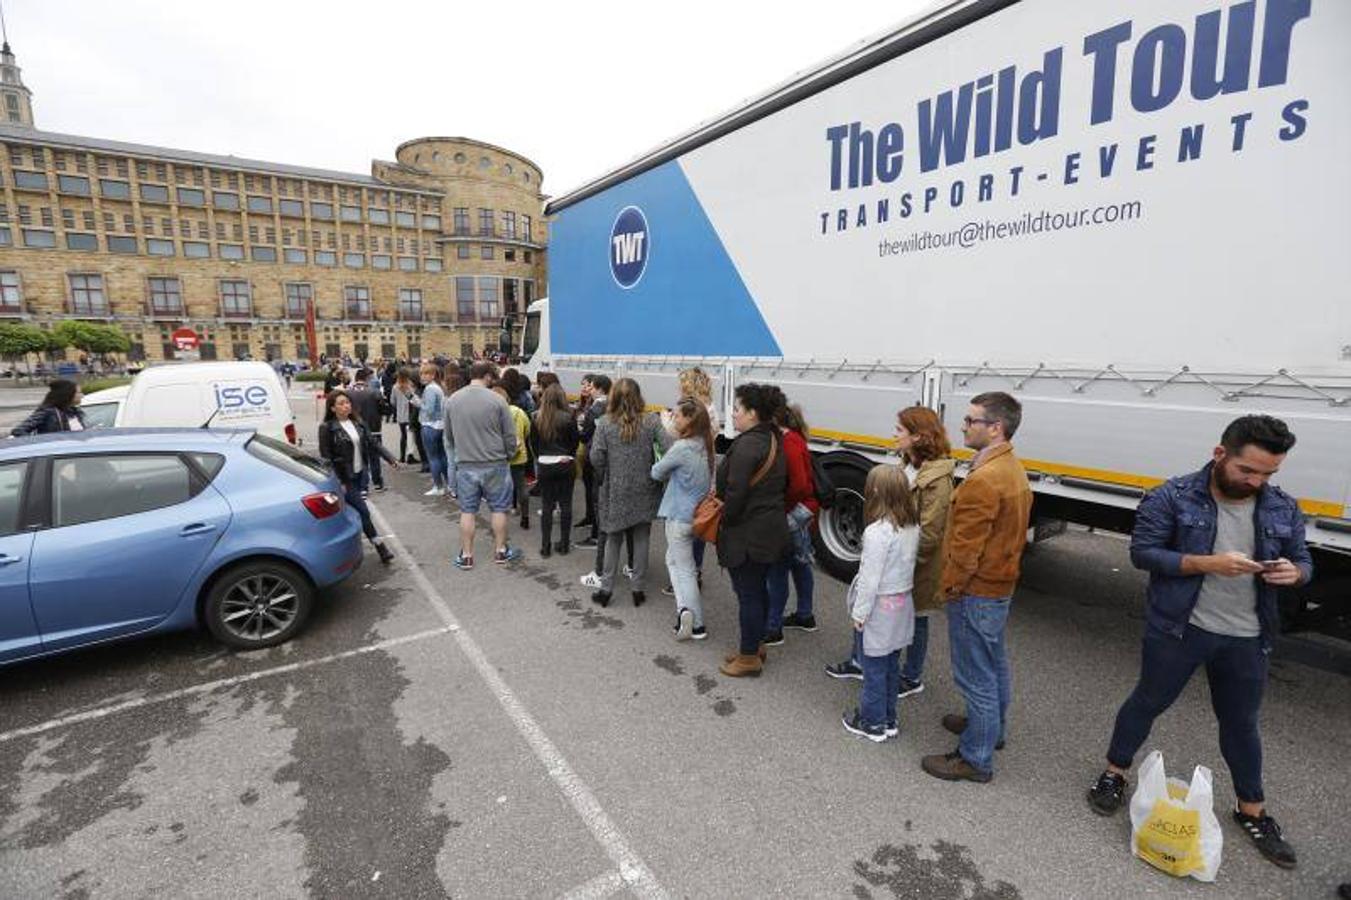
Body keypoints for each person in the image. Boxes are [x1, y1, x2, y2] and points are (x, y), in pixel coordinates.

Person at [1086, 415, 1311, 869]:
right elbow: (1142, 553)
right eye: (1249, 470)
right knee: (1147, 701)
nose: (1257, 481)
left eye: (1268, 474)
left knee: (1241, 724)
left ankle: (1252, 810)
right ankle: (1114, 773)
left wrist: (1297, 572)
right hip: (1180, 629)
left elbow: (1304, 558)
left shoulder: (1282, 506)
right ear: (1220, 454)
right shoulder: (1172, 496)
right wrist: (1207, 562)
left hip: (1248, 637)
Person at [921, 391, 1032, 784]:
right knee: (993, 662)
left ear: (995, 428)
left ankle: (975, 758)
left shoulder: (985, 480)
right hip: (999, 585)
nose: (964, 427)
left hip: (978, 591)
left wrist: (948, 590)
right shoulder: (1010, 467)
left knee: (975, 675)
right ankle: (991, 730)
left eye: (971, 421)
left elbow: (966, 552)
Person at [842, 465, 921, 742]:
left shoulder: (877, 532)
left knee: (873, 668)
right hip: (902, 605)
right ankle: (889, 718)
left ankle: (872, 722)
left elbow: (870, 579)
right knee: (890, 666)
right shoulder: (911, 527)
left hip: (879, 608)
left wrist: (859, 613)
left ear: (875, 491)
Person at [716, 383, 790, 678]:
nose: (733, 414)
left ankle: (748, 658)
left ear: (753, 413)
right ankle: (755, 646)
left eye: (737, 409)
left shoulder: (747, 444)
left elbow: (735, 494)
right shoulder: (773, 438)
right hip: (769, 529)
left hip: (748, 533)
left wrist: (726, 521)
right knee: (758, 590)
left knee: (748, 594)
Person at [589, 378, 671, 608]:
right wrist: (656, 472)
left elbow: (596, 457)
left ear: (613, 397)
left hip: (615, 488)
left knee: (613, 538)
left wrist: (605, 473)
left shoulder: (604, 423)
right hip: (645, 487)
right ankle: (638, 589)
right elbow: (669, 449)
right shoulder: (651, 421)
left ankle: (606, 590)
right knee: (642, 537)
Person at [445, 361, 523, 568]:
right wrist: (508, 454)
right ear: (488, 376)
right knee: (498, 509)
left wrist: (460, 453)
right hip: (495, 462)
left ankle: (467, 555)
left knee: (468, 510)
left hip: (467, 464)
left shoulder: (452, 400)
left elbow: (449, 436)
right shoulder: (498, 400)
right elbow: (509, 435)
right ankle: (500, 551)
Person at [652, 396, 714, 641]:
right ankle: (684, 611)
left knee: (686, 570)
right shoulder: (704, 443)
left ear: (689, 419)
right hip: (697, 514)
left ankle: (694, 621)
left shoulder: (681, 447)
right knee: (674, 561)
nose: (673, 418)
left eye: (677, 415)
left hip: (679, 515)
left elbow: (656, 472)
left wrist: (659, 456)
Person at [317, 390, 396, 564]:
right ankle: (380, 546)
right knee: (363, 511)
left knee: (353, 513)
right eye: (341, 403)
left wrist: (390, 458)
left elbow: (373, 443)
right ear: (332, 408)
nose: (346, 406)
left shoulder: (358, 423)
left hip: (360, 475)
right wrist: (338, 481)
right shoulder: (327, 428)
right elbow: (326, 458)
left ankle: (345, 548)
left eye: (347, 402)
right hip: (345, 478)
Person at [764, 403, 818, 645]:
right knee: (799, 563)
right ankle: (805, 615)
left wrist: (781, 506)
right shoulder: (795, 439)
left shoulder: (789, 443)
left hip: (792, 513)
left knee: (777, 568)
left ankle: (773, 627)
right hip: (802, 510)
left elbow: (799, 485)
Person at [531, 384, 580, 558]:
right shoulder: (569, 417)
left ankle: (545, 546)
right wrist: (568, 455)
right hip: (565, 463)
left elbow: (534, 443)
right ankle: (564, 544)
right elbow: (575, 441)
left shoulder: (536, 417)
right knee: (566, 504)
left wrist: (541, 458)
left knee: (547, 505)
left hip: (545, 464)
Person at [493, 385, 532, 530]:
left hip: (499, 455)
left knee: (499, 487)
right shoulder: (519, 412)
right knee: (521, 485)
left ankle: (500, 517)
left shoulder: (493, 414)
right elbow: (528, 429)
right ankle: (525, 517)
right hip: (518, 454)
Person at [347, 368, 387, 493]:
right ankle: (377, 483)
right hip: (373, 429)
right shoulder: (374, 392)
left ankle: (363, 487)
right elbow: (384, 410)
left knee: (360, 458)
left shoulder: (348, 393)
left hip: (354, 430)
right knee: (374, 457)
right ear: (367, 378)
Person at [11, 379, 87, 436]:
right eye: (79, 393)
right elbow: (19, 431)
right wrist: (41, 444)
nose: (82, 395)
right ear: (67, 394)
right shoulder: (48, 411)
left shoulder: (75, 412)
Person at [418, 363, 449, 496]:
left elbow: (429, 410)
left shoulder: (430, 389)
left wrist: (419, 403)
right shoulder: (438, 388)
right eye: (422, 373)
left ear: (433, 375)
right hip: (439, 425)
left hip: (430, 425)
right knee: (441, 456)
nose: (423, 376)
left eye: (426, 373)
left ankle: (438, 486)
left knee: (433, 457)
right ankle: (448, 484)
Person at [392, 369, 419, 464]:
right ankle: (410, 456)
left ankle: (402, 456)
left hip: (401, 414)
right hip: (411, 413)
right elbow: (415, 398)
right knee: (411, 435)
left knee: (403, 435)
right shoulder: (410, 386)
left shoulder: (395, 387)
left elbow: (392, 401)